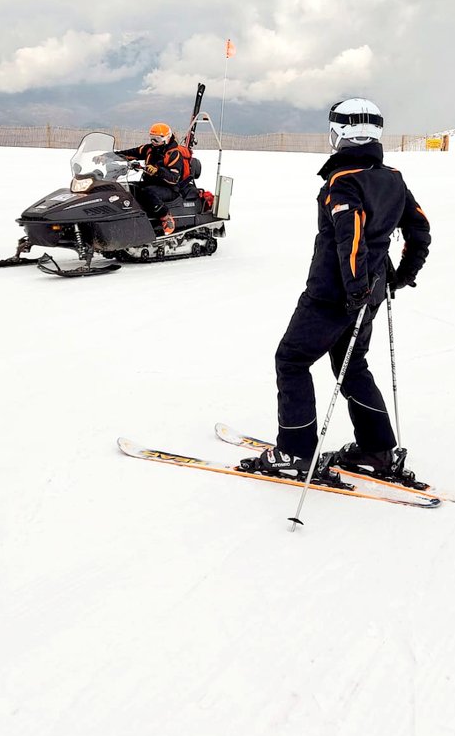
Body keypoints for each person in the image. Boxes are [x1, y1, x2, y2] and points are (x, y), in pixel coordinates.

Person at [239, 97, 431, 483]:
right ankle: (377, 450)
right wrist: (397, 276)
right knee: (352, 365)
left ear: (339, 133)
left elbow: (352, 237)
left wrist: (356, 289)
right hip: (368, 293)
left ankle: (294, 452)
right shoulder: (391, 177)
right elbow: (419, 230)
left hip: (333, 295)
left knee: (291, 360)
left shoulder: (342, 182)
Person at [115, 122, 193, 236]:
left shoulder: (174, 153)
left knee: (148, 192)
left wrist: (158, 171)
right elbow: (132, 152)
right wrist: (110, 155)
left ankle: (166, 218)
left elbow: (174, 178)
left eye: (156, 139)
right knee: (130, 187)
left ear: (166, 138)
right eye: (151, 139)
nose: (153, 142)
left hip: (170, 188)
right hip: (151, 183)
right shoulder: (150, 149)